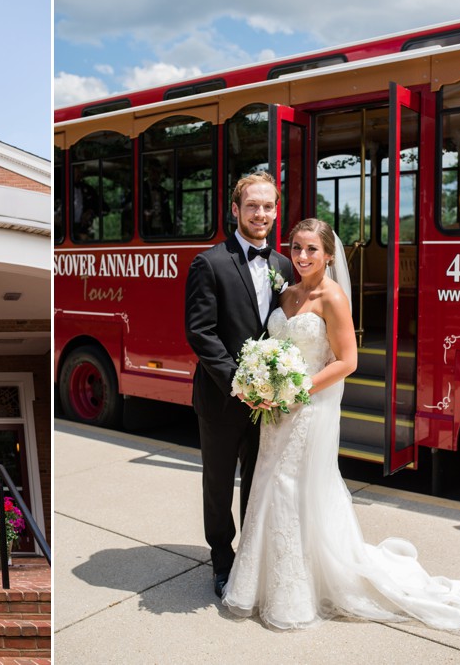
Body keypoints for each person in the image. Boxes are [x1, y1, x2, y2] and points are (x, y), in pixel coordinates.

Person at [222, 218, 460, 630]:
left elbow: (347, 362)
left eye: (311, 250)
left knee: (292, 488)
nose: (301, 256)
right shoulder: (288, 293)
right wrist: (262, 381)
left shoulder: (332, 297)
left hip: (307, 408)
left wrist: (293, 390)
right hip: (275, 412)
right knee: (268, 484)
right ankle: (260, 581)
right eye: (296, 248)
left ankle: (295, 592)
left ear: (329, 255)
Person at [185, 171, 294, 598]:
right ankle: (221, 559)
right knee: (217, 484)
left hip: (270, 401)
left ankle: (249, 555)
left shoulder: (284, 265)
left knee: (259, 479)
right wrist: (240, 382)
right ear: (236, 209)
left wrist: (279, 384)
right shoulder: (209, 263)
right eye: (252, 206)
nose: (261, 213)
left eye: (268, 206)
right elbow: (201, 332)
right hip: (222, 397)